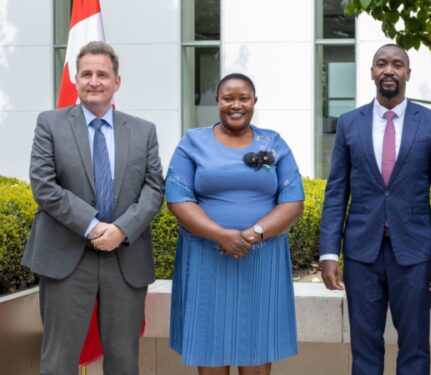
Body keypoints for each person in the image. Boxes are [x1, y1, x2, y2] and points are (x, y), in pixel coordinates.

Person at [319, 44, 431, 375]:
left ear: (408, 73)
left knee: (414, 347)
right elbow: (336, 190)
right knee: (364, 348)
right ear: (371, 72)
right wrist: (328, 253)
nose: (389, 70)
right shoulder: (350, 123)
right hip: (361, 254)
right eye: (381, 64)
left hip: (414, 254)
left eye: (397, 64)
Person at [23, 41, 164, 374]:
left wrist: (121, 230)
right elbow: (43, 184)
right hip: (65, 258)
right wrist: (93, 225)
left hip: (125, 259)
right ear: (75, 78)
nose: (94, 81)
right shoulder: (50, 124)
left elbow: (154, 189)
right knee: (58, 362)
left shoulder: (143, 132)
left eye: (103, 74)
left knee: (123, 362)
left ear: (117, 81)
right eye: (86, 73)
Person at [166, 73, 304, 375]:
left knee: (255, 347)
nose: (236, 104)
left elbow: (293, 199)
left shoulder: (273, 142)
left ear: (255, 102)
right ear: (217, 102)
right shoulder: (193, 142)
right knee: (211, 347)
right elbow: (177, 197)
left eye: (244, 98)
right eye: (228, 98)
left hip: (261, 259)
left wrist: (254, 234)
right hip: (205, 257)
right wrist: (220, 236)